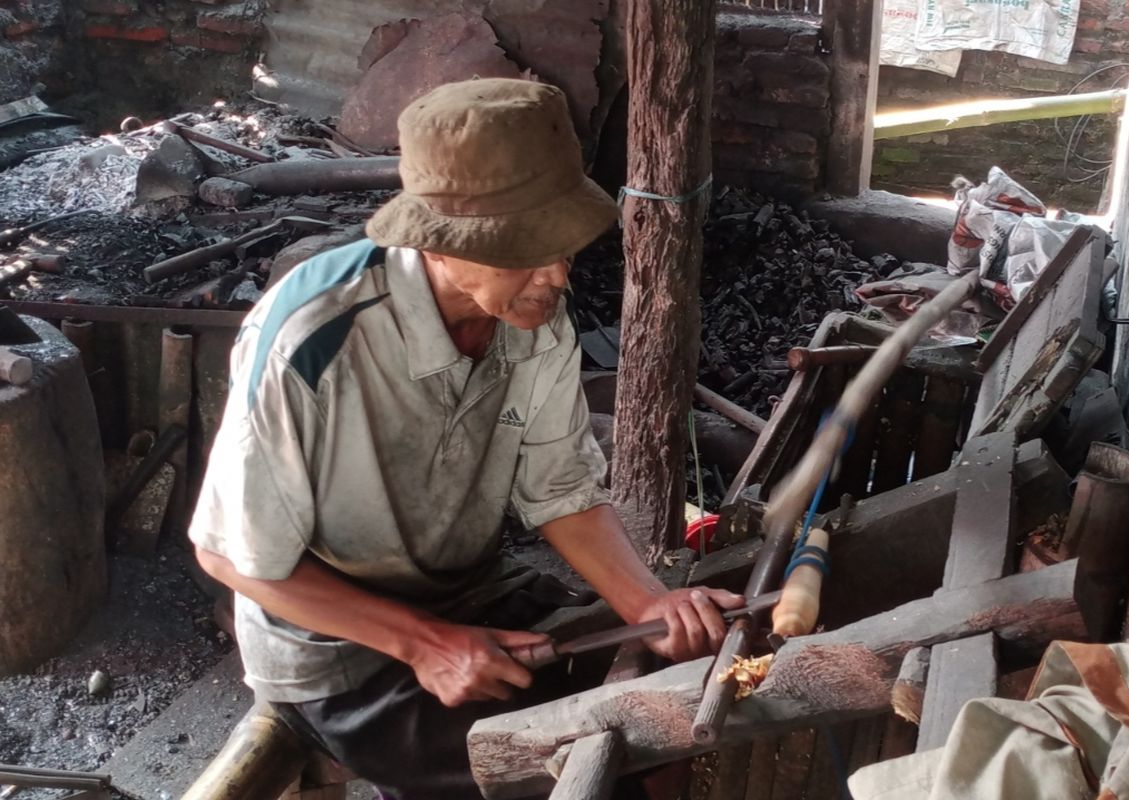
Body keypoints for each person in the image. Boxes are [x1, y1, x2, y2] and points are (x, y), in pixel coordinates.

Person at [187, 78, 743, 799]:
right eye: (524, 250)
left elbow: (562, 492)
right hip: (339, 654)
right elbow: (228, 554)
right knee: (574, 775)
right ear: (437, 244)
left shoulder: (534, 316)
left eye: (562, 246)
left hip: (473, 598)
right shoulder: (313, 343)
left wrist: (649, 607)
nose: (556, 275)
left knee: (657, 710)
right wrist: (423, 644)